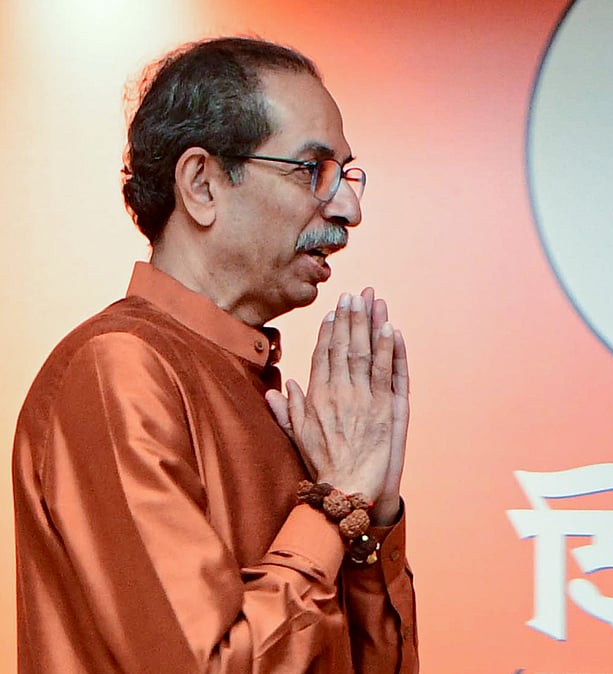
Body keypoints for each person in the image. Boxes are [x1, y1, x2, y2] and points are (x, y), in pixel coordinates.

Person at [12, 37, 417, 672]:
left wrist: (369, 517)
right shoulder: (118, 367)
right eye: (313, 170)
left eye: (346, 174)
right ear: (202, 184)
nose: (350, 208)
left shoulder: (255, 386)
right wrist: (335, 502)